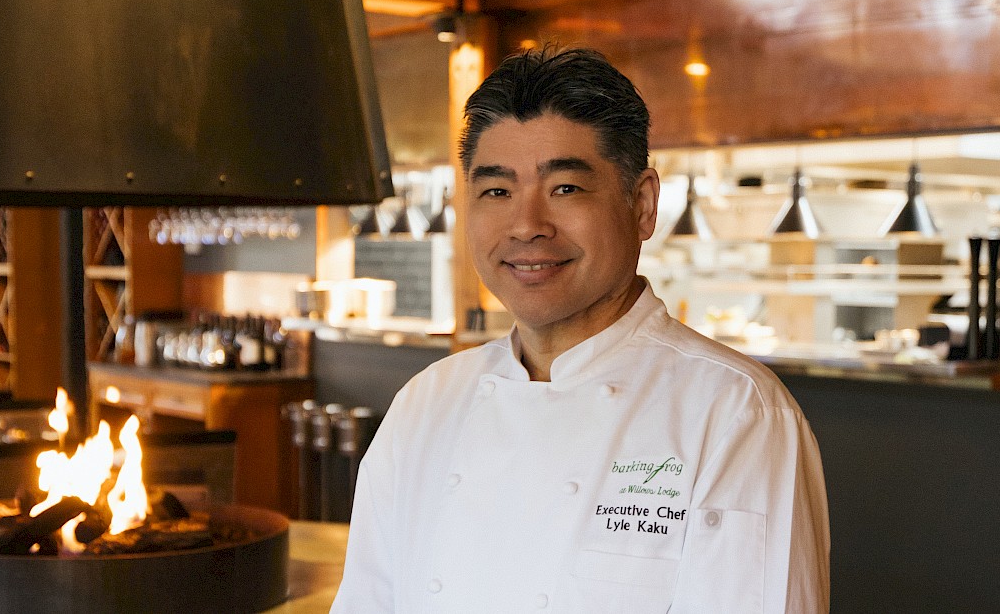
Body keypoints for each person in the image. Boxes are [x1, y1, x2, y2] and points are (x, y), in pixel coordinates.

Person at [332, 47, 829, 613]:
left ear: (642, 205)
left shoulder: (737, 414)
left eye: (565, 188)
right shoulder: (426, 403)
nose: (527, 226)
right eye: (496, 191)